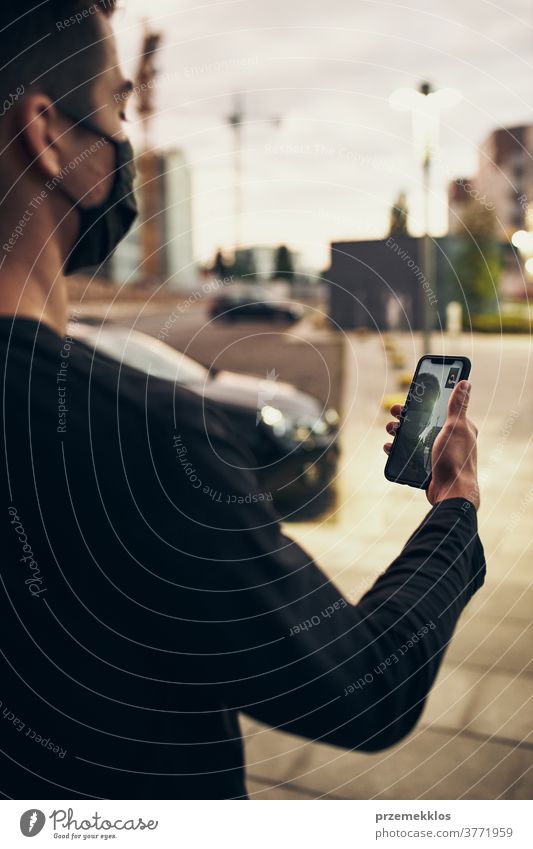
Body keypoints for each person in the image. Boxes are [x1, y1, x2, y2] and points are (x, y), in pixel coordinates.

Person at [0, 1, 484, 800]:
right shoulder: (147, 441)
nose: (128, 139)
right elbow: (365, 688)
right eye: (120, 108)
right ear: (48, 135)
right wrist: (454, 509)